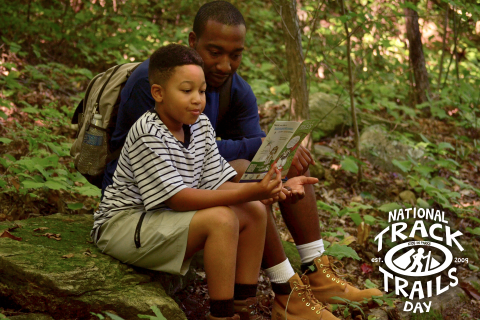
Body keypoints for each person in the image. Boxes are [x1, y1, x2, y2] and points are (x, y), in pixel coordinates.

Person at [104, 1, 382, 318]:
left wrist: (276, 158)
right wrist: (256, 151)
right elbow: (172, 154)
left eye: (235, 55)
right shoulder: (152, 82)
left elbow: (246, 154)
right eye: (215, 52)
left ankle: (316, 272)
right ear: (193, 43)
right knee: (249, 170)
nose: (225, 65)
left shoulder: (235, 91)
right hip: (145, 195)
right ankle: (285, 289)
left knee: (280, 164)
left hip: (192, 183)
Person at [93, 44, 287, 320]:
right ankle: (221, 315)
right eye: (187, 91)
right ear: (158, 93)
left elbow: (216, 183)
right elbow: (179, 198)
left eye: (202, 90)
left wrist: (268, 189)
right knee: (221, 219)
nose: (198, 99)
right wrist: (253, 190)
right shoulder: (148, 132)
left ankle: (247, 308)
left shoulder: (200, 126)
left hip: (162, 218)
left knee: (254, 209)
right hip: (123, 224)